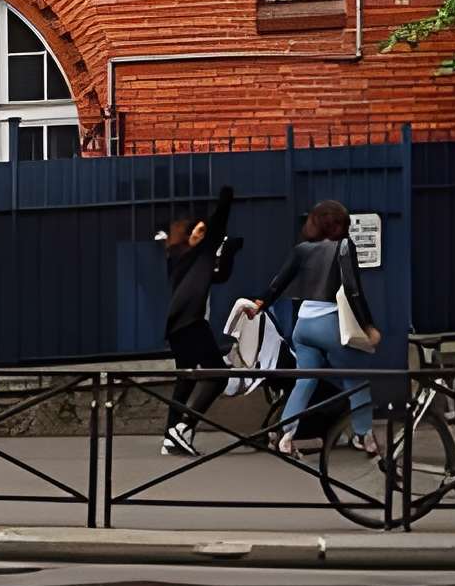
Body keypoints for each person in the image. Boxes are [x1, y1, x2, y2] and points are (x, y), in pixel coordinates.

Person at [257, 199, 376, 457]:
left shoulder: (302, 249)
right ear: (338, 224)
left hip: (303, 327)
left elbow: (279, 282)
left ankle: (287, 435)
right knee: (356, 378)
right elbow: (353, 290)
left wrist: (260, 303)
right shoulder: (344, 247)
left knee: (305, 380)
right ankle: (364, 436)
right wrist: (368, 326)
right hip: (330, 324)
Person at [157, 185, 239, 456]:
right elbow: (216, 230)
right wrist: (225, 202)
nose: (203, 236)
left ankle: (171, 437)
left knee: (186, 380)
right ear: (189, 235)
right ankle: (184, 428)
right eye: (199, 231)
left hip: (179, 327)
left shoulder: (182, 259)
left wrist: (229, 252)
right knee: (219, 376)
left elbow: (220, 276)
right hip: (191, 325)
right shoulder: (193, 255)